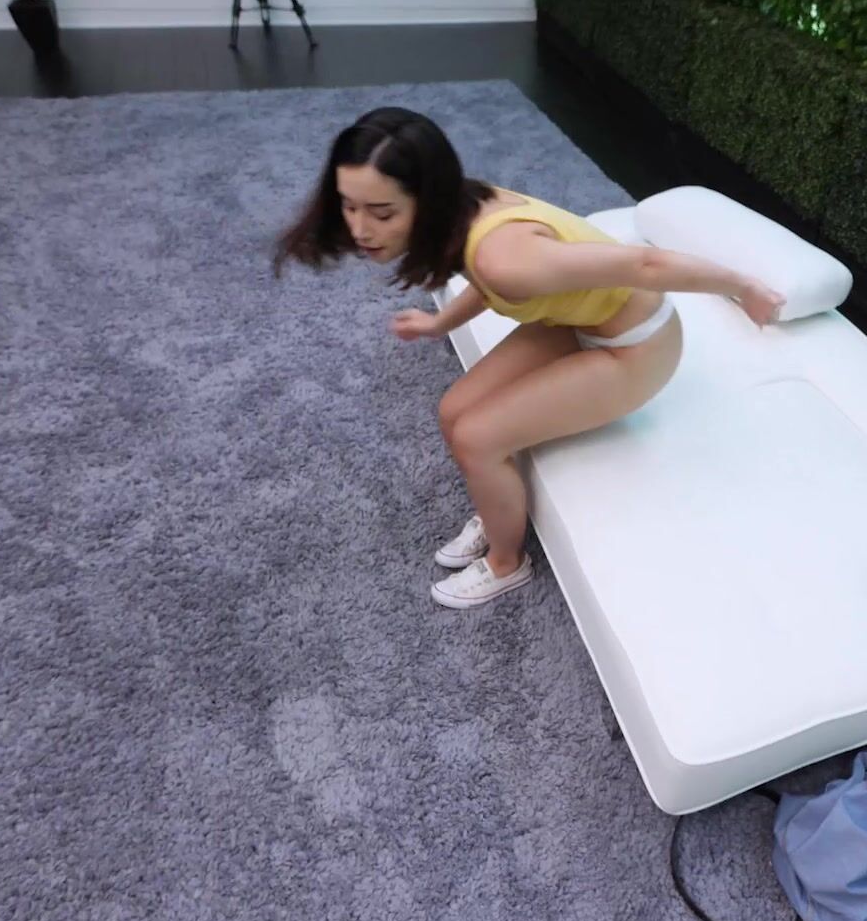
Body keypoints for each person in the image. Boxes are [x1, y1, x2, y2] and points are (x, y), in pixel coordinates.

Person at [274, 107, 784, 608]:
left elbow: (643, 264)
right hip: (578, 321)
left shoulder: (506, 257)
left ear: (428, 200)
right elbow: (486, 279)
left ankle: (506, 564)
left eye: (382, 213)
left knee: (476, 438)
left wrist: (743, 287)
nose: (360, 229)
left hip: (637, 347)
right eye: (349, 206)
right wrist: (439, 323)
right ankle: (498, 506)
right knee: (453, 412)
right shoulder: (464, 210)